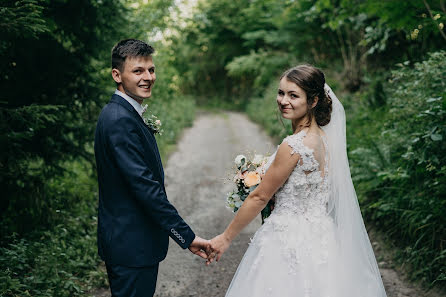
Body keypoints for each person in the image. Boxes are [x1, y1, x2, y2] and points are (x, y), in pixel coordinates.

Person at [207, 65, 387, 297]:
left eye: (293, 95)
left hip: (287, 240)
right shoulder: (325, 140)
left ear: (313, 101)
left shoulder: (293, 146)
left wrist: (225, 238)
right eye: (281, 93)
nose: (283, 100)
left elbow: (261, 196)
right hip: (322, 237)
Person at [94, 39, 210, 297]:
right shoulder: (119, 120)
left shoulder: (125, 113)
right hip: (131, 245)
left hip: (133, 243)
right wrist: (186, 237)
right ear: (117, 75)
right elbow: (145, 188)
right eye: (138, 71)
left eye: (151, 70)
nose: (148, 77)